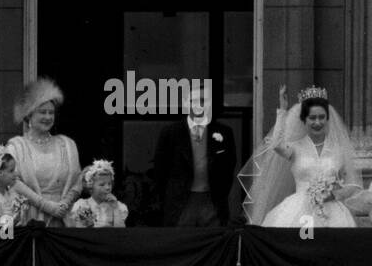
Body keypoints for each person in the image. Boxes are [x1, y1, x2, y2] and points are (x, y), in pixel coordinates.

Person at [241, 85, 360, 227]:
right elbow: (276, 144)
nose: (317, 122)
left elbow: (353, 184)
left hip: (333, 213)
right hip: (300, 211)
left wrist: (334, 194)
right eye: (312, 118)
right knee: (304, 241)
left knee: (330, 246)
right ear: (304, 120)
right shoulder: (295, 148)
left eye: (322, 117)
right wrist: (283, 111)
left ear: (328, 119)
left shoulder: (338, 149)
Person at [6, 77, 82, 226]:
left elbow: (78, 182)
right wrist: (46, 206)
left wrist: (64, 204)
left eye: (51, 113)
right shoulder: (16, 147)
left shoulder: (67, 144)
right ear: (29, 115)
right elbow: (13, 182)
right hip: (31, 219)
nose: (48, 117)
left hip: (63, 218)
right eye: (42, 112)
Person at [152, 95, 237, 226]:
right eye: (193, 101)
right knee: (181, 243)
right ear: (186, 103)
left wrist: (220, 194)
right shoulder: (171, 132)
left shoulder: (224, 132)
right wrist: (169, 198)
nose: (198, 105)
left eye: (203, 101)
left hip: (212, 201)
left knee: (214, 241)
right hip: (180, 202)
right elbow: (160, 170)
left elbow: (229, 168)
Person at [68, 159, 129, 227]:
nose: (107, 188)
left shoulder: (118, 207)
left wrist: (115, 209)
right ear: (91, 187)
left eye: (109, 184)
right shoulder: (82, 205)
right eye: (102, 184)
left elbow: (120, 232)